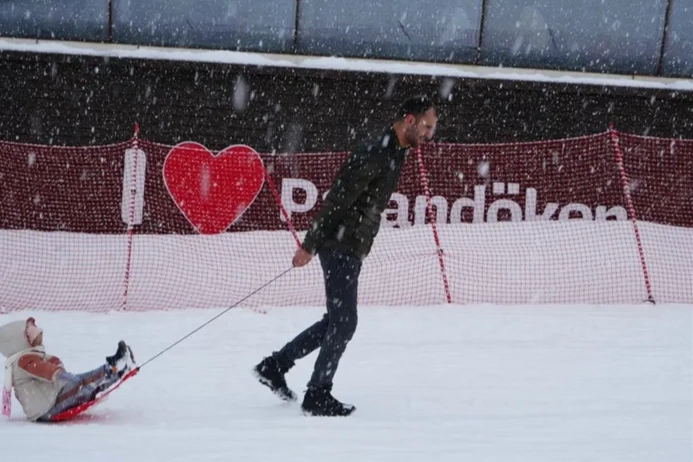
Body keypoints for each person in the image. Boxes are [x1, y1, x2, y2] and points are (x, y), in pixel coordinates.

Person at [254, 95, 438, 416]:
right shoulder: (376, 153)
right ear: (409, 120)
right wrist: (310, 245)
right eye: (426, 127)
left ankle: (275, 365)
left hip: (351, 245)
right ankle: (317, 394)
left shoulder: (395, 152)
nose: (429, 135)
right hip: (340, 244)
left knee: (335, 321)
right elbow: (337, 199)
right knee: (345, 322)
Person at [0, 317, 136, 422]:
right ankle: (115, 369)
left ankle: (116, 369)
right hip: (47, 409)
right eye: (36, 338)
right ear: (22, 341)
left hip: (51, 401)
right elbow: (45, 370)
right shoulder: (24, 360)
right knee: (79, 383)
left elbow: (54, 362)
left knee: (81, 383)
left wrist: (59, 371)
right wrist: (59, 374)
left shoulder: (30, 356)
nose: (40, 340)